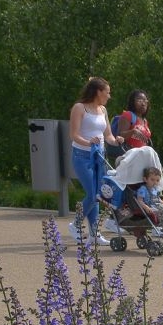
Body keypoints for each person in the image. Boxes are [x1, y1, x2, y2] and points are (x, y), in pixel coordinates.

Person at [68, 77, 121, 245]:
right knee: (92, 194)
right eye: (107, 92)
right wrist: (89, 143)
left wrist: (116, 140)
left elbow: (108, 135)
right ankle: (75, 223)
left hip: (99, 157)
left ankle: (94, 233)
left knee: (98, 195)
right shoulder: (79, 107)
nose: (109, 96)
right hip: (82, 156)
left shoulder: (103, 110)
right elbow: (74, 135)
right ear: (98, 92)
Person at [110, 90, 153, 160]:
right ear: (132, 102)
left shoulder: (144, 120)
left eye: (145, 100)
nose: (143, 103)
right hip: (129, 155)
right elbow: (120, 135)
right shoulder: (128, 115)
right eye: (139, 100)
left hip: (142, 156)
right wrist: (133, 132)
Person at [137, 168, 163, 235]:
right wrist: (146, 207)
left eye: (157, 180)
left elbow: (157, 198)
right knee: (159, 212)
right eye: (152, 180)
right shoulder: (143, 189)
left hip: (157, 205)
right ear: (145, 179)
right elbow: (139, 200)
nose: (155, 182)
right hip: (149, 207)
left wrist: (162, 202)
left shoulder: (154, 189)